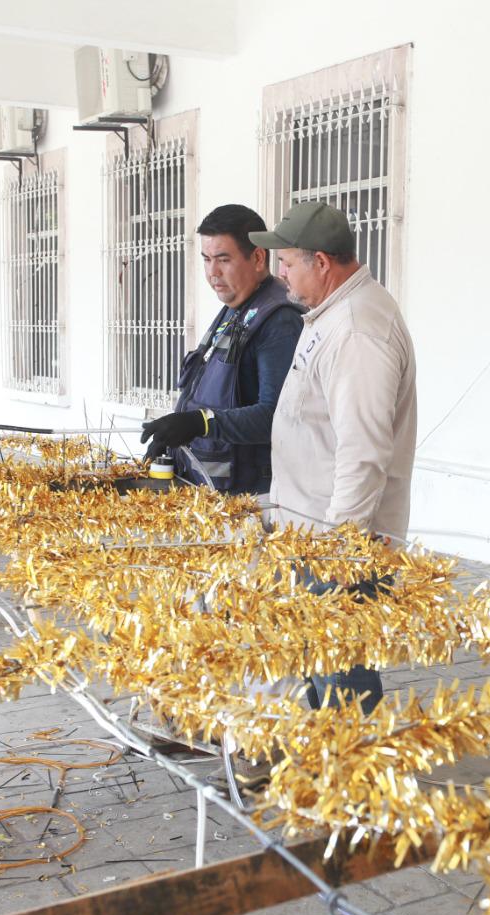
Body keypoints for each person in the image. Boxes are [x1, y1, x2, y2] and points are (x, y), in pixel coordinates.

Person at [250, 201, 417, 712]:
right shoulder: (334, 313)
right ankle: (320, 776)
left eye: (287, 262)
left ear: (321, 262)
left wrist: (340, 551)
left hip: (335, 542)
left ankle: (352, 784)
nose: (279, 273)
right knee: (317, 667)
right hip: (310, 530)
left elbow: (363, 451)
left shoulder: (356, 331)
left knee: (340, 674)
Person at [138, 204, 303, 494]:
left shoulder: (279, 320)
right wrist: (175, 433)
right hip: (210, 491)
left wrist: (199, 423)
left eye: (223, 259)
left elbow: (276, 416)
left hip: (252, 500)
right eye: (206, 259)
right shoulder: (236, 306)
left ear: (258, 257)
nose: (212, 272)